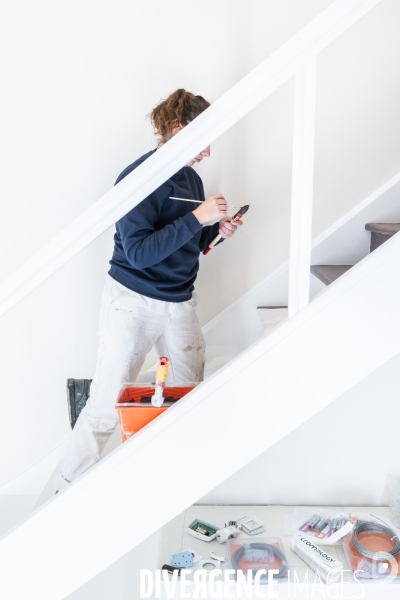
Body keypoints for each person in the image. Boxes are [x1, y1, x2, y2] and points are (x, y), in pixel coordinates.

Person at [55, 89, 242, 492]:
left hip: (179, 302)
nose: (208, 152)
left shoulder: (191, 178)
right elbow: (139, 253)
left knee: (187, 394)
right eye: (204, 139)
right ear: (179, 130)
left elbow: (187, 241)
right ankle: (66, 488)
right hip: (132, 302)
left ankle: (171, 481)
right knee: (107, 402)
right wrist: (198, 217)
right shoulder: (137, 178)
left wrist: (215, 230)